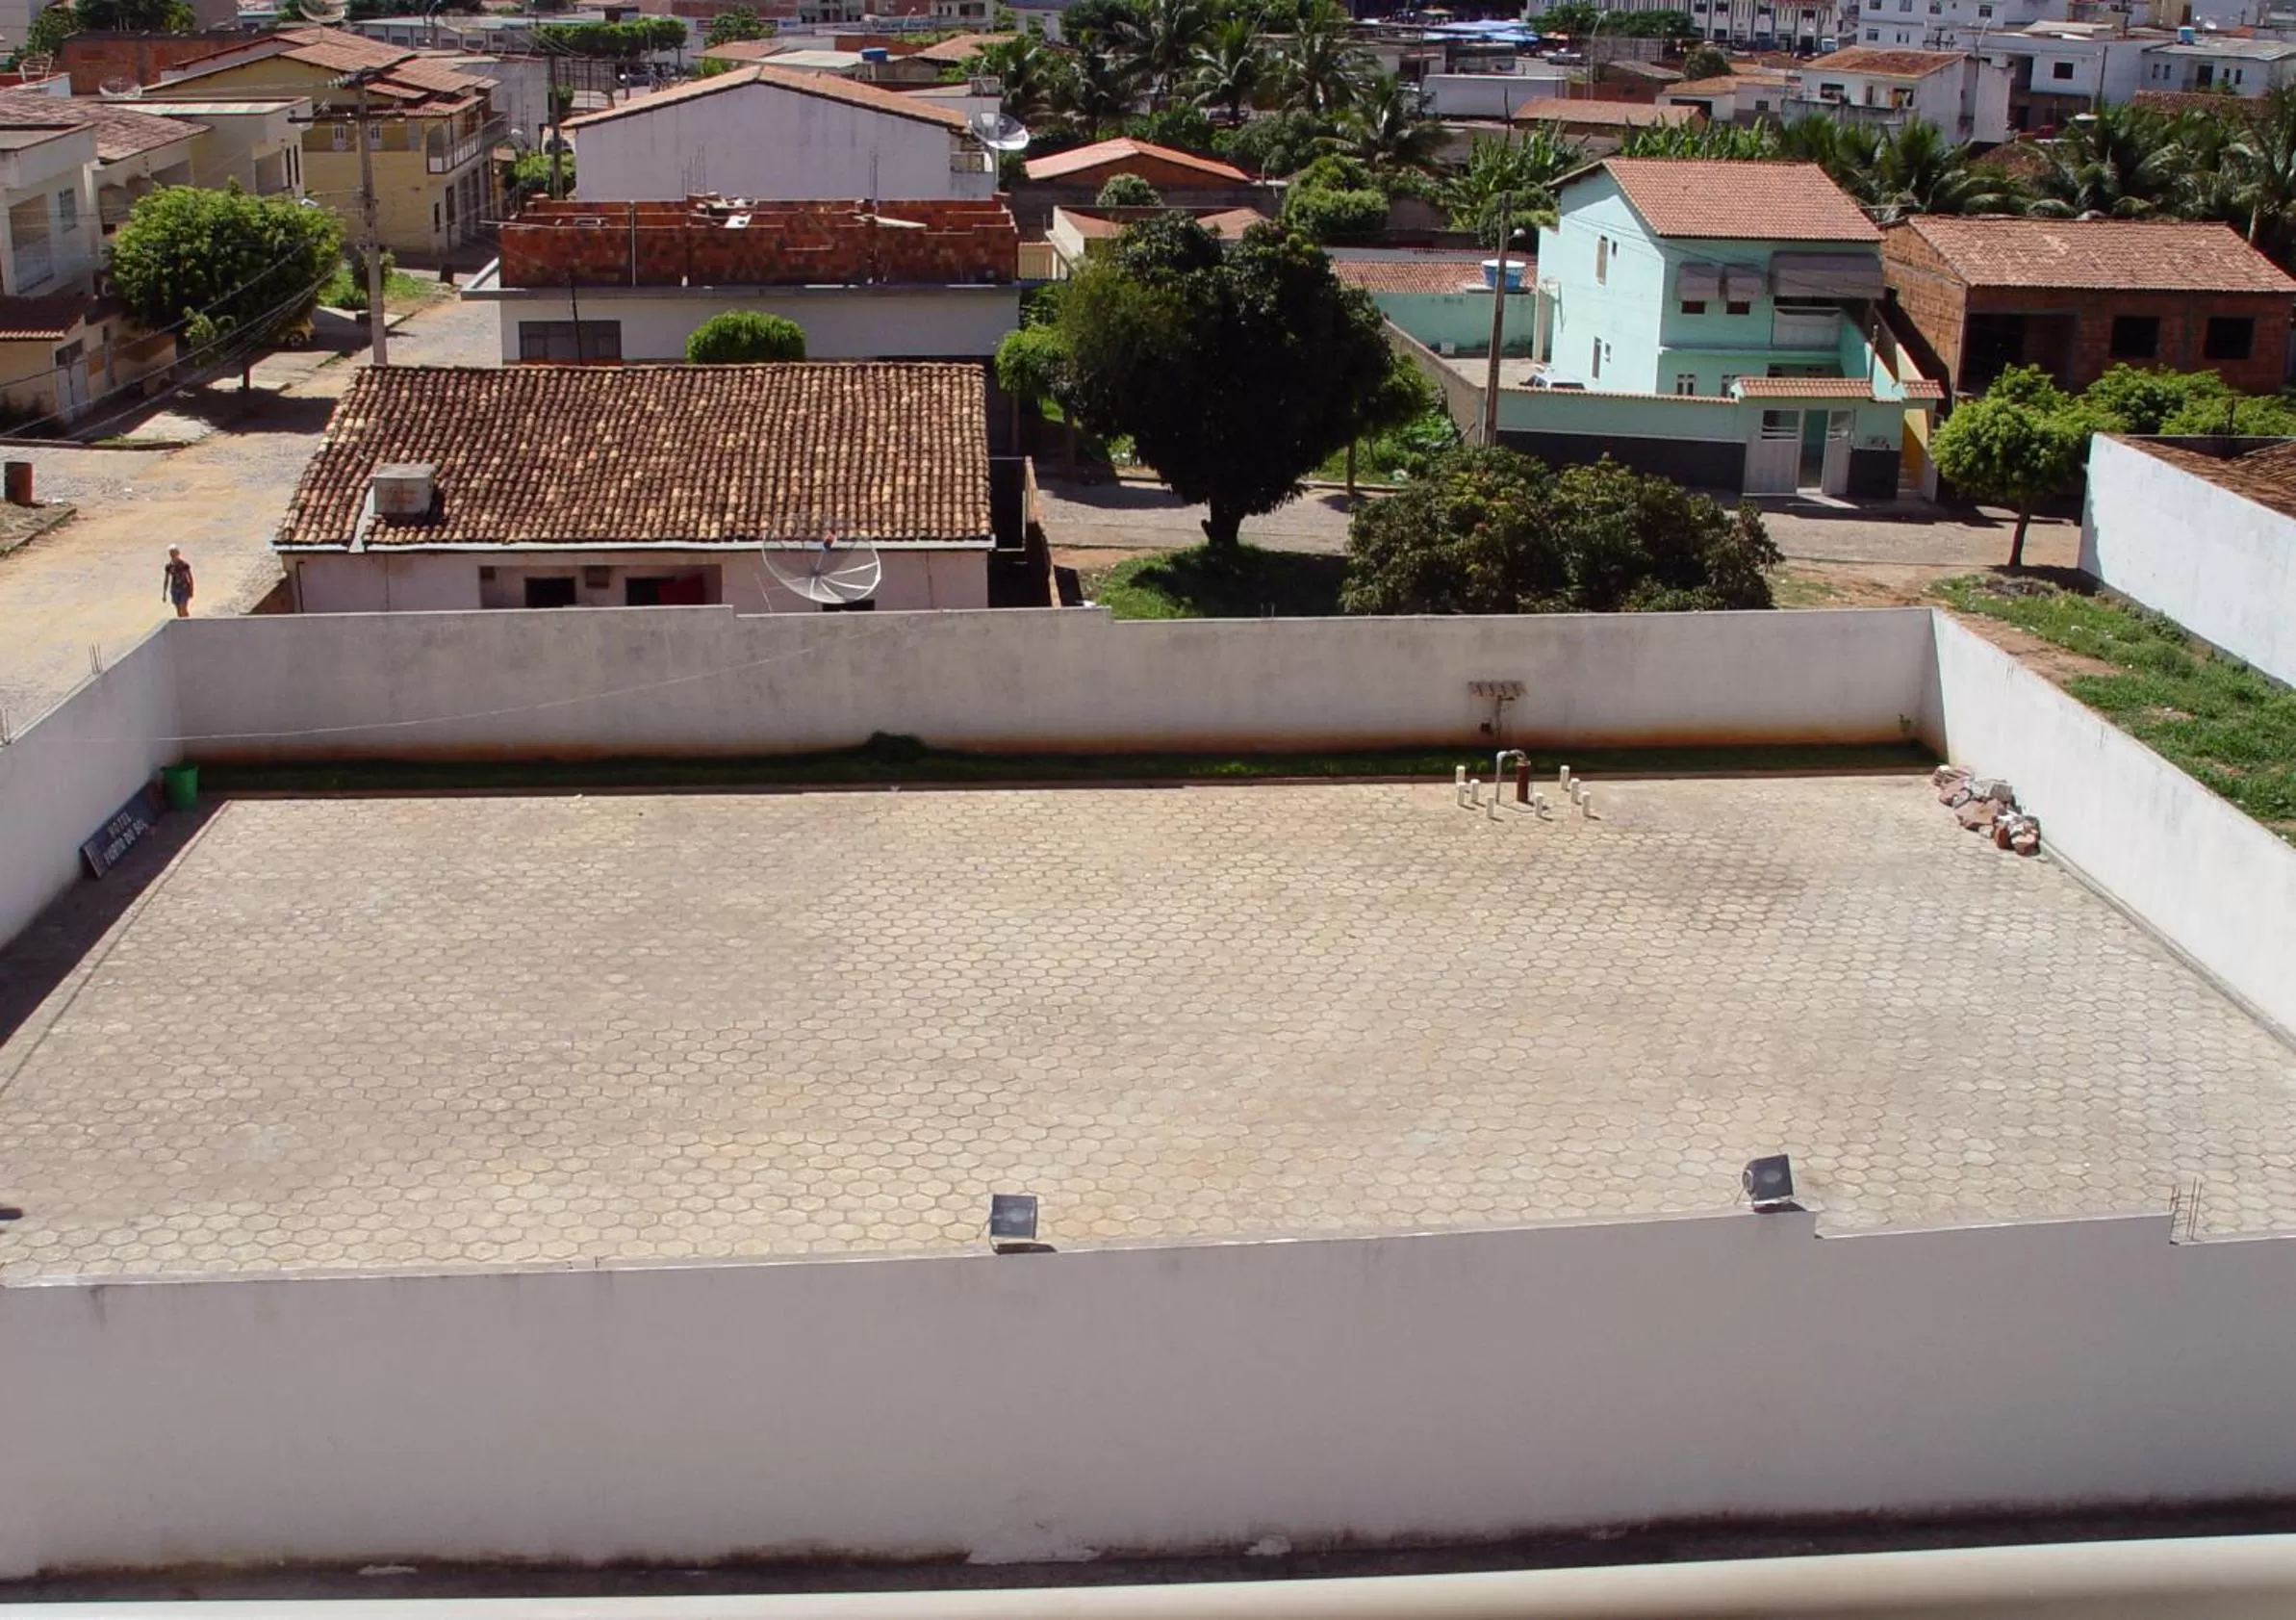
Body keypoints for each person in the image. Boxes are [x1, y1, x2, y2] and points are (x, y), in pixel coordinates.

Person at [162, 546, 193, 618]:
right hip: (175, 589)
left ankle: (187, 623)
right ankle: (181, 625)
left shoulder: (184, 565)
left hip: (184, 589)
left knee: (183, 607)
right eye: (171, 554)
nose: (172, 555)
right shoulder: (169, 566)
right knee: (178, 610)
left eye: (174, 553)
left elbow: (190, 578)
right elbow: (166, 579)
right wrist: (164, 593)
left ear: (178, 554)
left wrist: (191, 590)